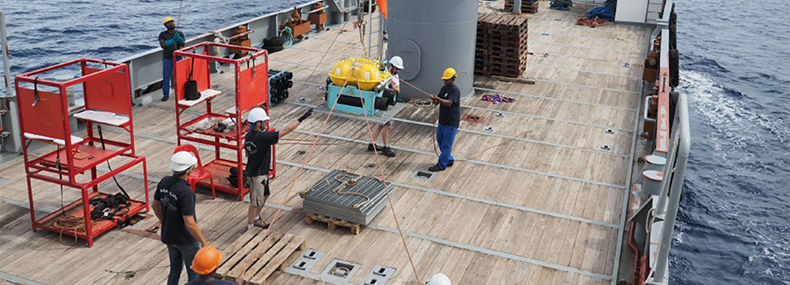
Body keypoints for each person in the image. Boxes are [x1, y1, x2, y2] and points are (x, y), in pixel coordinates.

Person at [244, 107, 312, 230]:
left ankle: (256, 218)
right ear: (258, 123)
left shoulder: (250, 135)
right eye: (264, 121)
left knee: (265, 195)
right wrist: (300, 119)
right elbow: (286, 130)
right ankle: (250, 226)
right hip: (256, 175)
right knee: (255, 203)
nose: (266, 123)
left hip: (258, 172)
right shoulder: (262, 138)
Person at [153, 151, 208, 285]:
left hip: (169, 236)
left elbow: (155, 205)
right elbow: (190, 223)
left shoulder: (165, 181)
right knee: (194, 275)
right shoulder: (186, 192)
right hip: (185, 239)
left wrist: (165, 221)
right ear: (189, 169)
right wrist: (203, 242)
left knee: (175, 270)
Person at [368, 56, 403, 157]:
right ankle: (385, 147)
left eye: (399, 69)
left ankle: (372, 144)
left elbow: (398, 90)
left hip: (389, 102)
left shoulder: (396, 77)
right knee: (387, 126)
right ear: (391, 66)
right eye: (396, 68)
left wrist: (392, 88)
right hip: (382, 102)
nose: (397, 71)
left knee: (381, 124)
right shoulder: (384, 75)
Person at [428, 68, 461, 172]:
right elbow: (439, 100)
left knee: (447, 144)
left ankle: (442, 165)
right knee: (440, 139)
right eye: (444, 80)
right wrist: (435, 99)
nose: (445, 81)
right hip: (443, 120)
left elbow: (449, 103)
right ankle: (449, 159)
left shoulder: (455, 90)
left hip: (451, 122)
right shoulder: (444, 88)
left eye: (447, 80)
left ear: (453, 79)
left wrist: (439, 100)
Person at [159, 17, 186, 102]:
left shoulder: (179, 33)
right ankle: (166, 94)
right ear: (165, 25)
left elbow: (183, 44)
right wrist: (172, 41)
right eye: (169, 23)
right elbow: (162, 45)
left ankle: (182, 93)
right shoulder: (163, 34)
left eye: (172, 22)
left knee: (181, 76)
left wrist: (179, 39)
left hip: (178, 57)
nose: (171, 24)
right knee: (166, 77)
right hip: (167, 58)